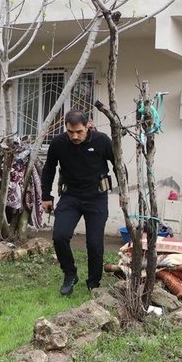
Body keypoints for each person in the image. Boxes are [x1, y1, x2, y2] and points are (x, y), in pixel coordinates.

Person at [41, 110, 116, 296]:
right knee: (59, 236)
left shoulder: (102, 141)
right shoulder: (58, 143)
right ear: (66, 128)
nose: (75, 136)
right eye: (70, 132)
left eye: (79, 132)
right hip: (71, 196)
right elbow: (49, 168)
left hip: (96, 196)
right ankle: (70, 274)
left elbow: (118, 164)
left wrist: (124, 194)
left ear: (87, 127)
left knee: (94, 243)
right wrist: (46, 196)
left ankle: (93, 283)